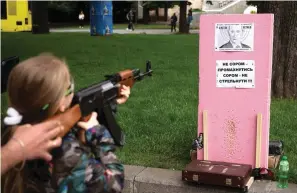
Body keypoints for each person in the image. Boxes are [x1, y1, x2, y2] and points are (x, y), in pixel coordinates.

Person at [2, 53, 130, 193]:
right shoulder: (64, 152)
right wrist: (98, 134)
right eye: (70, 87)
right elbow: (114, 183)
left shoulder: (9, 131)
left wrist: (109, 105)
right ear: (61, 104)